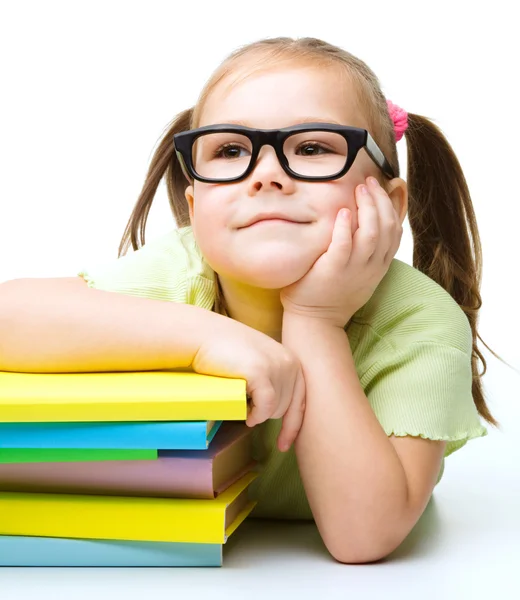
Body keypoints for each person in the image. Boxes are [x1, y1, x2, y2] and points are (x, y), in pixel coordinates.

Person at [0, 36, 506, 564]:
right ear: (195, 208)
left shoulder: (419, 321)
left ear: (389, 201)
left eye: (313, 148)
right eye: (230, 150)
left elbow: (364, 537)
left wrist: (316, 323)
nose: (266, 174)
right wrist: (206, 337)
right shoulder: (184, 273)